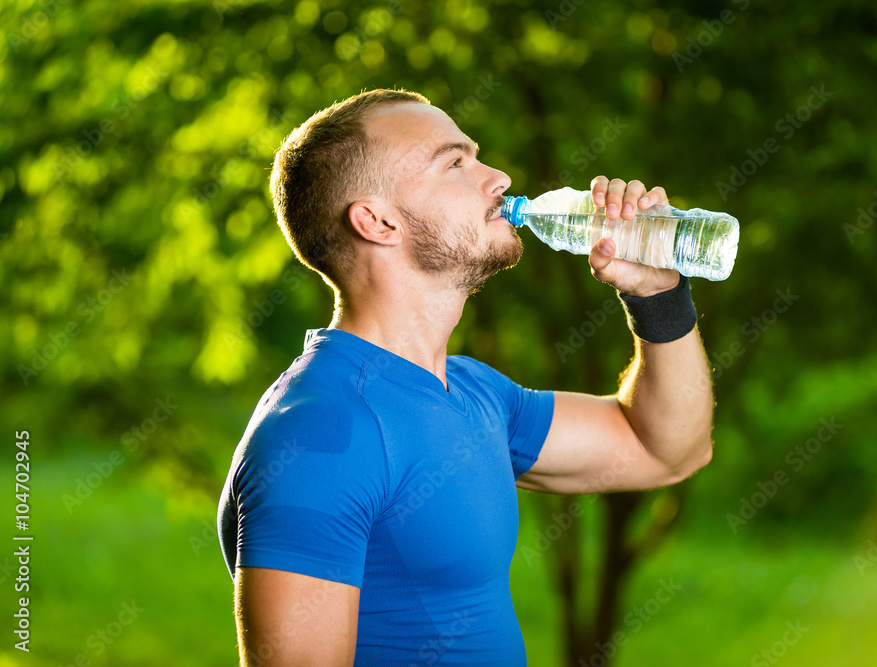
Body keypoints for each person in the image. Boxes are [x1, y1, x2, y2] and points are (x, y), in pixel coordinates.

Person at [217, 88, 714, 666]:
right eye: (455, 163)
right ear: (377, 221)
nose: (498, 177)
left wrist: (658, 295)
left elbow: (668, 450)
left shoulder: (475, 394)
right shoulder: (321, 432)